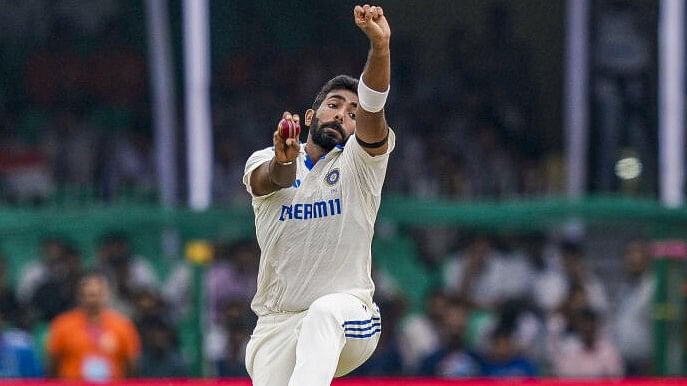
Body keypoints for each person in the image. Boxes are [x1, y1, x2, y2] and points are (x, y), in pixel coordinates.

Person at [242, 4, 393, 386]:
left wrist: (380, 49)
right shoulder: (266, 158)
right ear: (311, 117)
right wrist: (283, 160)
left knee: (324, 314)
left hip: (350, 314)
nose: (344, 115)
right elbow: (271, 179)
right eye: (334, 105)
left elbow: (374, 112)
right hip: (277, 322)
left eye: (353, 112)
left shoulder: (361, 165)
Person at [46, 270, 140, 381]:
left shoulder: (123, 325)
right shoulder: (62, 325)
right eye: (89, 294)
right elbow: (53, 365)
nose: (93, 299)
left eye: (97, 294)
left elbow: (131, 366)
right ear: (79, 295)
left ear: (107, 294)